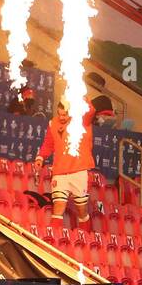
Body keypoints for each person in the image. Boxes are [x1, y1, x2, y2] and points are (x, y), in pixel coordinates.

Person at [34, 96, 97, 228]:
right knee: (58, 207)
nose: (61, 117)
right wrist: (40, 157)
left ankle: (86, 239)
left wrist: (79, 92)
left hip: (79, 170)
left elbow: (91, 110)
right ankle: (53, 242)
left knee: (81, 210)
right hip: (60, 172)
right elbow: (48, 144)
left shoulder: (81, 120)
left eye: (65, 114)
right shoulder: (53, 123)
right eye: (59, 114)